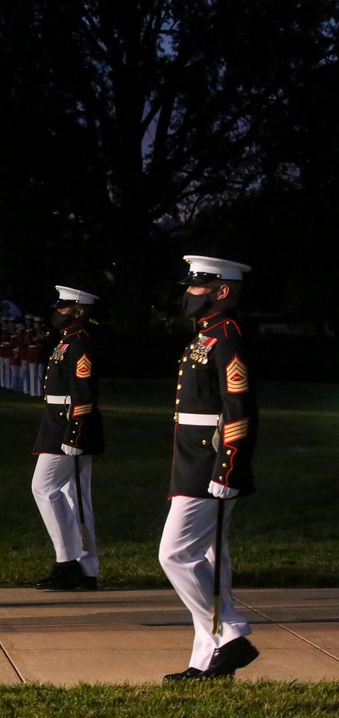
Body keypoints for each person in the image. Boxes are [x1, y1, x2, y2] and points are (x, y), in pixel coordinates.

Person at [160, 255, 260, 681]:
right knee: (208, 559)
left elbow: (239, 409)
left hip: (210, 462)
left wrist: (229, 468)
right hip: (194, 457)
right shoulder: (207, 335)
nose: (189, 293)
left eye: (198, 286)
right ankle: (208, 660)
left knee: (175, 555)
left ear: (221, 291)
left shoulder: (228, 337)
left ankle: (232, 635)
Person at [30, 286, 103, 591]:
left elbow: (83, 391)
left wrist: (75, 432)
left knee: (44, 488)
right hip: (59, 422)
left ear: (80, 311)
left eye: (64, 307)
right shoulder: (66, 341)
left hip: (68, 424)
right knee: (75, 497)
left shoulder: (79, 342)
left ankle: (67, 562)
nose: (58, 312)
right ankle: (86, 569)